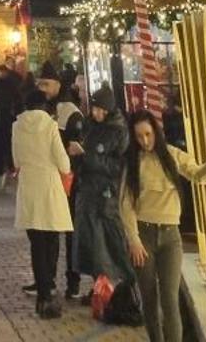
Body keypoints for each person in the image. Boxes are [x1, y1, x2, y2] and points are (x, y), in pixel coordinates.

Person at [121, 109, 206, 342]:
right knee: (149, 298)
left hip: (170, 236)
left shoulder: (173, 155)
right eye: (139, 136)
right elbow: (125, 204)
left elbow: (199, 176)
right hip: (143, 235)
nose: (145, 140)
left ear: (156, 131)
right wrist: (133, 240)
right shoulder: (132, 163)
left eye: (148, 134)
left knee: (170, 298)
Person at [11, 86, 72, 318]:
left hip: (29, 186)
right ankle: (49, 286)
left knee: (36, 241)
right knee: (52, 236)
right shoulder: (50, 125)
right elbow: (63, 163)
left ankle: (43, 293)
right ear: (44, 106)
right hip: (49, 186)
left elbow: (16, 159)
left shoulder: (17, 126)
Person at [69, 86, 132, 305]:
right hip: (88, 193)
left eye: (99, 109)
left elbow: (116, 166)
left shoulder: (118, 131)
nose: (95, 113)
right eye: (93, 108)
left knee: (108, 246)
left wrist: (86, 156)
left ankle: (121, 289)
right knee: (92, 246)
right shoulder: (91, 126)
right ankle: (100, 288)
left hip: (106, 197)